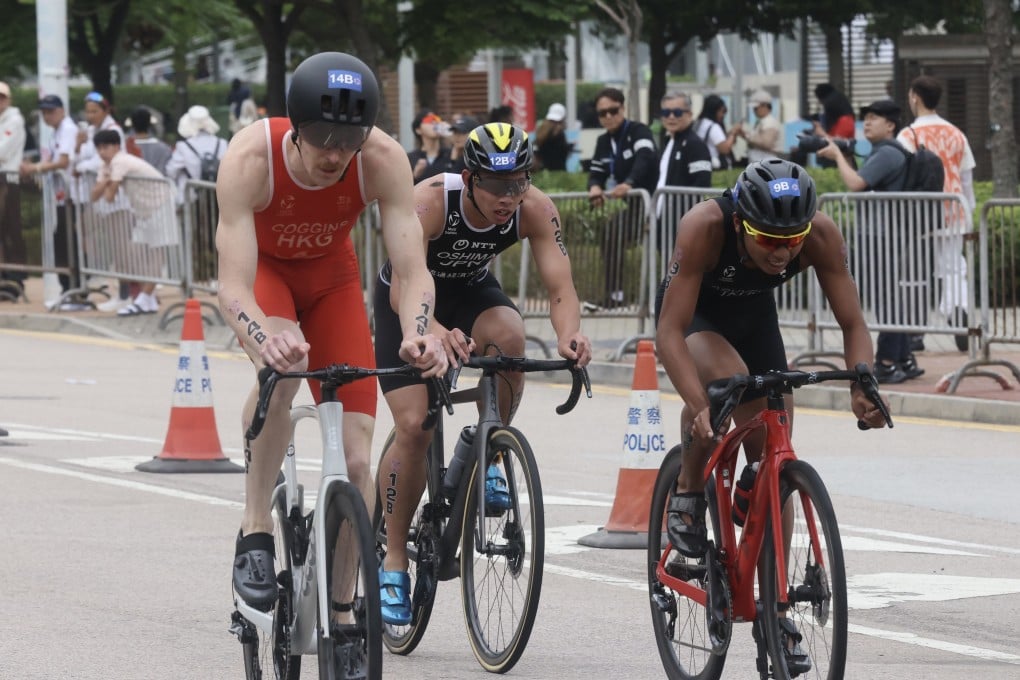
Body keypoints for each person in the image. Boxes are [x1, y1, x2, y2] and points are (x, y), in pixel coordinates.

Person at [217, 51, 447, 613]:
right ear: (295, 128)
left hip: (330, 281)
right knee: (286, 366)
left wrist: (419, 331)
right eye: (322, 138)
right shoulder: (251, 157)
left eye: (350, 140)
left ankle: (341, 609)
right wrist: (263, 339)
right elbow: (232, 288)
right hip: (264, 278)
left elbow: (414, 270)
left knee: (359, 459)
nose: (336, 155)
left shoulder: (383, 159)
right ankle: (254, 534)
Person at [655, 158, 889, 674]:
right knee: (727, 386)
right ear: (741, 223)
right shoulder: (705, 226)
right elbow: (667, 334)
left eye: (793, 238)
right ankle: (689, 493)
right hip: (697, 318)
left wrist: (861, 384)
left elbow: (852, 321)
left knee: (775, 460)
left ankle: (773, 606)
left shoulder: (819, 236)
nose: (784, 251)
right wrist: (697, 406)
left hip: (755, 320)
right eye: (768, 238)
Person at [373, 122, 592, 625]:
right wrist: (435, 330)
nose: (508, 196)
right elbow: (405, 283)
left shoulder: (533, 207)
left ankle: (488, 441)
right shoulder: (430, 201)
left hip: (469, 291)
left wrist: (569, 336)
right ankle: (393, 562)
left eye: (518, 182)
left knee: (509, 336)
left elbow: (560, 286)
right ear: (469, 178)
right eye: (496, 185)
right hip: (405, 301)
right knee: (415, 426)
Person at [817, 99, 923, 384]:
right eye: (866, 118)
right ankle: (902, 358)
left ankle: (888, 361)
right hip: (883, 234)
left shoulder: (888, 153)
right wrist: (848, 155)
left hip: (881, 236)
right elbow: (864, 179)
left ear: (890, 125)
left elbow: (856, 184)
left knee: (884, 298)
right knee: (887, 296)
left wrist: (838, 156)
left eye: (874, 118)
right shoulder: (883, 151)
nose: (868, 123)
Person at [897, 75, 976, 353]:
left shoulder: (908, 135)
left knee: (915, 273)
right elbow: (966, 180)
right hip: (954, 209)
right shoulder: (956, 133)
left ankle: (915, 331)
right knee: (954, 267)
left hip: (920, 214)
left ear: (915, 97)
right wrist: (970, 213)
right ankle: (958, 309)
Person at [89, 128, 177, 316]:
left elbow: (109, 196)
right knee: (137, 251)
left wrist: (106, 182)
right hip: (145, 210)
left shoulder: (120, 161)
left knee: (155, 252)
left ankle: (145, 298)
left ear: (116, 147)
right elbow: (95, 195)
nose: (102, 152)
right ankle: (148, 298)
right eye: (99, 148)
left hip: (161, 204)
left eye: (106, 147)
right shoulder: (107, 165)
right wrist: (106, 181)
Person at [587, 87, 657, 309]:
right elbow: (596, 172)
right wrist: (594, 187)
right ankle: (615, 295)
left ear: (623, 108)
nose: (608, 116)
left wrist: (629, 182)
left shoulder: (639, 131)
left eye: (613, 110)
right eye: (602, 113)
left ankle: (660, 298)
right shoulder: (603, 141)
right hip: (635, 205)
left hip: (656, 201)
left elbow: (645, 158)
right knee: (610, 233)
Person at [20, 95, 78, 303]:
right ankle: (68, 291)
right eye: (44, 112)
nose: (47, 116)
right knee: (61, 244)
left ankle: (75, 291)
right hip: (60, 197)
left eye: (51, 111)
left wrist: (35, 168)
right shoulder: (56, 132)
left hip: (72, 197)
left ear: (62, 110)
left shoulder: (68, 129)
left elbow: (62, 161)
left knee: (69, 246)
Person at [654, 91, 712, 259]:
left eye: (677, 112)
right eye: (666, 113)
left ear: (689, 114)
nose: (671, 117)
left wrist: (686, 219)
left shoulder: (695, 145)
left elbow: (702, 183)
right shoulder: (669, 142)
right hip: (663, 222)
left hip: (682, 225)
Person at [0, 81, 27, 292]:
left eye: (2, 97)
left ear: (8, 99)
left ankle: (15, 276)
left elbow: (2, 152)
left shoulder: (14, 120)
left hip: (7, 179)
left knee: (10, 227)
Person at [165, 105, 226, 196]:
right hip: (219, 198)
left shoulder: (183, 146)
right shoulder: (222, 143)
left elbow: (171, 171)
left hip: (192, 199)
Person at [794, 83, 856, 169]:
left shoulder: (843, 119)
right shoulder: (838, 113)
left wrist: (821, 133)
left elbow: (838, 145)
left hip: (840, 163)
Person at [694, 94, 738, 170]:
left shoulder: (699, 123)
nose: (723, 115)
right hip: (715, 166)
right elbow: (725, 149)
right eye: (722, 111)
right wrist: (733, 133)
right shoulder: (713, 127)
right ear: (715, 110)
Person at [740, 89, 784, 163]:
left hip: (766, 161)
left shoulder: (770, 122)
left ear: (765, 106)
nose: (754, 111)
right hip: (758, 161)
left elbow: (766, 143)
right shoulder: (761, 121)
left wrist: (746, 136)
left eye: (756, 108)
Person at [407, 110, 451, 182]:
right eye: (429, 120)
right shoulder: (410, 158)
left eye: (436, 119)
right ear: (418, 130)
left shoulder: (451, 154)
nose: (434, 123)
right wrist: (414, 175)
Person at [534, 103, 572, 171]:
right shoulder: (560, 135)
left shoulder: (542, 130)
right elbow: (560, 155)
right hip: (557, 172)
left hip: (543, 172)